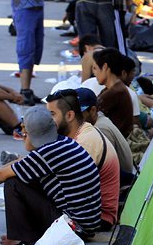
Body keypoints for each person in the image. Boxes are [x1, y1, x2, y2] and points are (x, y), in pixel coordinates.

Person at [0, 107, 101, 245]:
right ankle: (23, 237)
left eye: (24, 131)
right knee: (21, 177)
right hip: (85, 222)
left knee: (14, 183)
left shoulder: (48, 152)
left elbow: (1, 175)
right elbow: (18, 164)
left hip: (74, 226)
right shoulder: (61, 143)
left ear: (28, 133)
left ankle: (27, 243)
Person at [46, 89, 119, 230]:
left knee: (21, 186)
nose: (49, 121)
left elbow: (63, 182)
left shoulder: (86, 142)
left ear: (69, 115)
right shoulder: (82, 131)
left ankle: (23, 239)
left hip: (98, 217)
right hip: (89, 211)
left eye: (53, 114)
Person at [78, 87, 134, 176]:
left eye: (79, 114)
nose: (75, 119)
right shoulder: (99, 118)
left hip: (122, 180)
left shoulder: (99, 128)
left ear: (92, 111)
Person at [92, 48, 134, 137]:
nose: (94, 73)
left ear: (105, 67)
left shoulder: (115, 92)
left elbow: (90, 115)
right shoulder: (116, 88)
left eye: (95, 68)